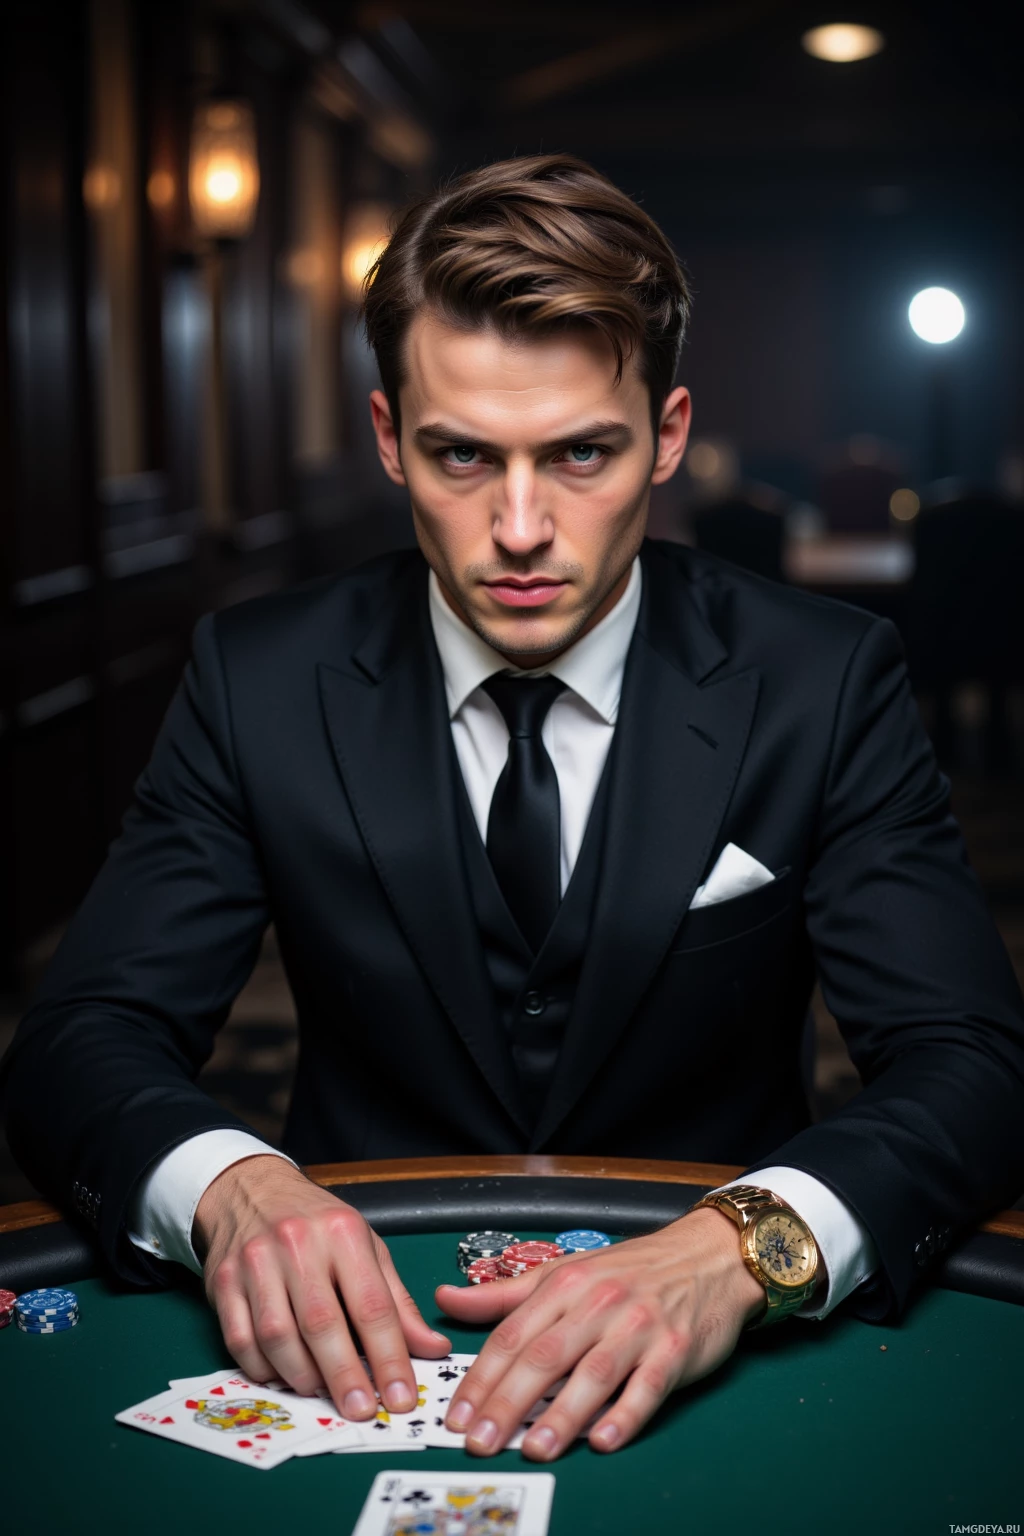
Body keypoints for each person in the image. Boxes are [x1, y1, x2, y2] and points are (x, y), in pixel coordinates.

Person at [3, 154, 1023, 1464]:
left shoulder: (825, 679)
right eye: (462, 456)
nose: (520, 528)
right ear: (388, 440)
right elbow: (79, 1042)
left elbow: (979, 1066)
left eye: (583, 452)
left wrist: (733, 1251)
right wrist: (234, 1188)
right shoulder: (253, 678)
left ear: (665, 436)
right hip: (362, 1334)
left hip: (725, 1348)